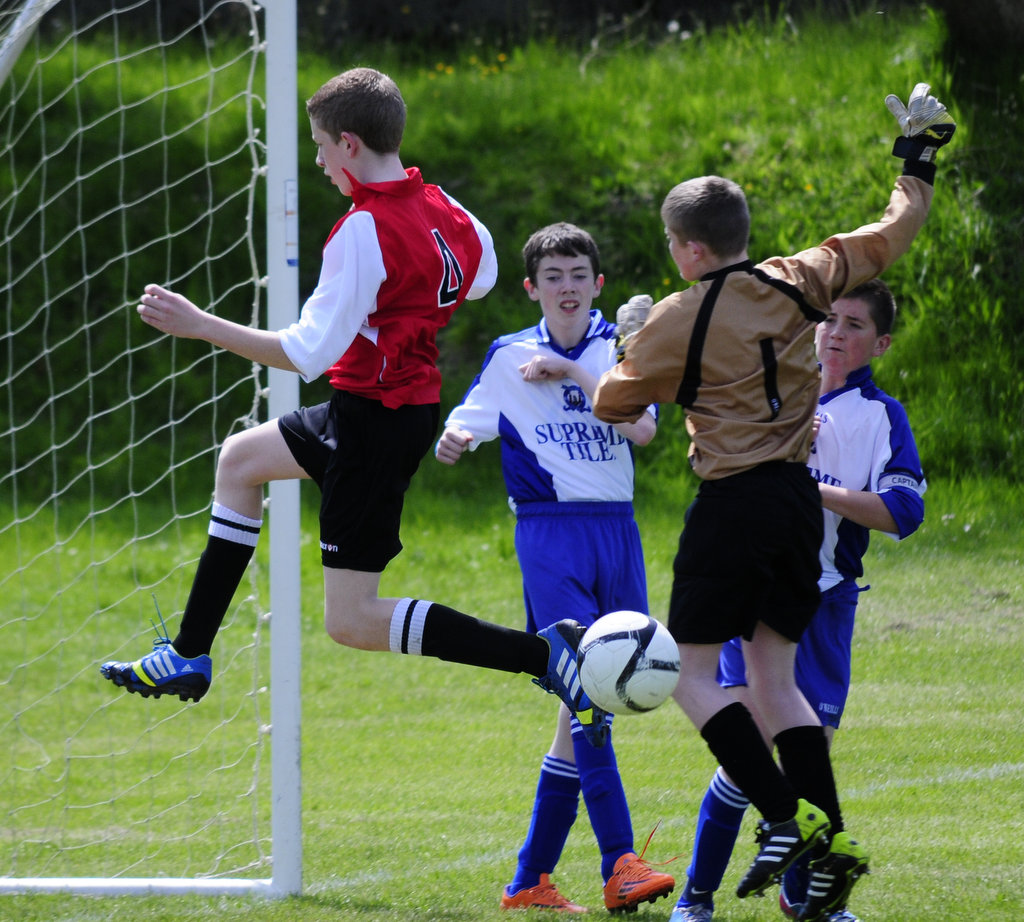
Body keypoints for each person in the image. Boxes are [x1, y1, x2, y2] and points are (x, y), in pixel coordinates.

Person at [100, 67, 611, 751]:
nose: (317, 162)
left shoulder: (362, 231)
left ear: (347, 143)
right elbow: (482, 278)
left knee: (352, 621)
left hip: (372, 424)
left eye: (318, 147)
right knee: (240, 461)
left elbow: (305, 353)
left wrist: (202, 325)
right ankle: (189, 653)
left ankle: (545, 657)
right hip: (383, 409)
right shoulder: (448, 210)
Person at [591, 84, 955, 922]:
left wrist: (630, 339)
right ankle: (826, 830)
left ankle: (783, 817)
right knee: (774, 678)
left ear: (685, 249)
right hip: (798, 502)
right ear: (742, 235)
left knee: (685, 671)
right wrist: (917, 157)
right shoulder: (802, 277)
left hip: (733, 504)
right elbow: (896, 229)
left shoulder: (676, 317)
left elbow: (615, 405)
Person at [669, 278, 926, 922]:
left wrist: (808, 489)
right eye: (831, 319)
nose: (837, 332)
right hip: (757, 594)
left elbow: (902, 512)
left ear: (880, 342)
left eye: (856, 325)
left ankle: (812, 898)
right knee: (747, 749)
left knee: (812, 750)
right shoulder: (779, 388)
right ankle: (696, 898)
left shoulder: (880, 417)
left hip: (826, 603)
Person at [436, 222, 674, 913]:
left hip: (617, 533)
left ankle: (529, 879)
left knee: (585, 705)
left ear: (596, 285)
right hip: (549, 537)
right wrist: (456, 437)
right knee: (589, 689)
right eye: (553, 277)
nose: (566, 287)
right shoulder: (508, 355)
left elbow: (644, 429)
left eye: (578, 275)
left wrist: (573, 373)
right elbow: (469, 418)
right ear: (531, 288)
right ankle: (620, 862)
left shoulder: (619, 349)